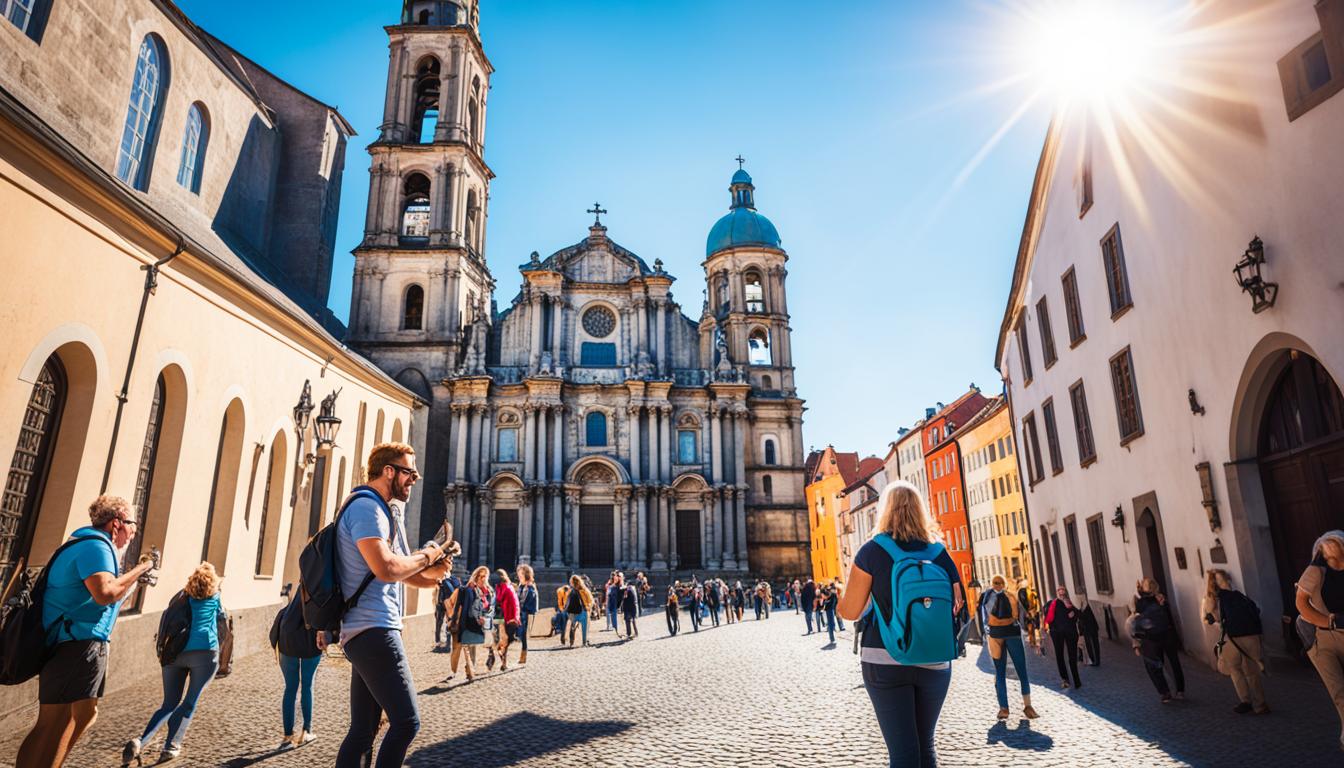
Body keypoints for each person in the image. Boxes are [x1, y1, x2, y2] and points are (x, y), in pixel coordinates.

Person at [18, 495, 159, 768]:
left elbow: (101, 598)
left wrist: (132, 580)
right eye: (132, 524)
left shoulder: (86, 543)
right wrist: (143, 567)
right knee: (56, 723)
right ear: (116, 523)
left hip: (72, 641)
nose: (133, 532)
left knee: (79, 716)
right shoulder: (97, 546)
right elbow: (105, 593)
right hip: (76, 644)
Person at [333, 443, 452, 768]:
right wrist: (427, 555)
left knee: (364, 729)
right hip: (373, 630)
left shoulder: (384, 511)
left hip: (369, 630)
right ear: (389, 471)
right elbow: (386, 568)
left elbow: (401, 571)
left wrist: (435, 576)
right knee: (406, 722)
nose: (414, 478)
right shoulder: (366, 509)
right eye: (409, 472)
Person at [837, 481, 964, 768]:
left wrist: (839, 600)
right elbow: (958, 605)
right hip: (934, 658)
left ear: (884, 512)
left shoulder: (872, 551)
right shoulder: (940, 553)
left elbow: (851, 611)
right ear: (921, 511)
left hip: (885, 658)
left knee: (903, 754)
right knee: (925, 747)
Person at [123, 562, 226, 764]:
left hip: (175, 653)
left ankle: (140, 742)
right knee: (189, 702)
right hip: (205, 654)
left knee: (169, 703)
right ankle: (171, 746)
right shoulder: (216, 597)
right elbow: (222, 626)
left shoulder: (180, 597)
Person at [1297, 531, 1344, 750]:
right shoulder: (1315, 571)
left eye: (1336, 546)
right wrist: (1327, 621)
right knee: (1339, 690)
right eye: (1328, 548)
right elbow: (1301, 604)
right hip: (1324, 640)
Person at [269, 587, 331, 752]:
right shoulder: (321, 591)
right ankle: (306, 731)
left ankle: (288, 736)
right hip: (310, 643)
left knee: (290, 688)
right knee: (307, 686)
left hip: (287, 641)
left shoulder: (300, 590)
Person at [1203, 568, 1267, 715]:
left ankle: (1255, 703)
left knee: (1248, 670)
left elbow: (1211, 618)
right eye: (1220, 578)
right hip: (1235, 637)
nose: (1224, 580)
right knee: (1238, 670)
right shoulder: (1229, 596)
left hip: (1239, 636)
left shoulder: (1230, 596)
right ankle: (1251, 702)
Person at [979, 575, 1037, 721]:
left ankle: (1004, 708)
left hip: (995, 636)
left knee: (1000, 672)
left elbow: (983, 618)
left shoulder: (987, 597)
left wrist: (985, 634)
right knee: (1021, 670)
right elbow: (1020, 616)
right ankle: (1027, 705)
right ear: (1005, 584)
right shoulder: (1011, 595)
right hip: (1012, 634)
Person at [1128, 577, 1185, 703]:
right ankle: (1178, 691)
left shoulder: (1142, 601)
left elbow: (1134, 621)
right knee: (1172, 663)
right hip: (1166, 635)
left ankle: (1166, 692)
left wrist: (1136, 643)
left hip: (1152, 638)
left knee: (1155, 665)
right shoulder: (1160, 599)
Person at [447, 566, 491, 682]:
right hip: (461, 623)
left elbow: (486, 608)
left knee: (472, 648)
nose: (482, 579)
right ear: (475, 576)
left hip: (474, 624)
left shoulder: (484, 592)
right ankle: (453, 671)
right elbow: (460, 608)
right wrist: (455, 622)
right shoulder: (466, 589)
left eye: (484, 576)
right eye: (480, 576)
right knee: (456, 648)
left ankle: (470, 671)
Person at [1043, 586, 1083, 690]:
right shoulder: (1052, 604)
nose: (1061, 595)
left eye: (1063, 593)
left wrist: (1073, 614)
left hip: (1070, 633)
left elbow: (1077, 616)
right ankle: (1065, 679)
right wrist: (1051, 630)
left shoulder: (1070, 604)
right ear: (1057, 594)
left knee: (1072, 657)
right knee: (1059, 656)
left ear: (1066, 593)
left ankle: (1077, 680)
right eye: (1059, 593)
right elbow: (1048, 617)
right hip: (1057, 634)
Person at [489, 569, 520, 671]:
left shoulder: (507, 588)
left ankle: (501, 660)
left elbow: (513, 605)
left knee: (503, 639)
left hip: (506, 617)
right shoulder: (501, 587)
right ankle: (501, 660)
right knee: (500, 638)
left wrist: (514, 619)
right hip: (501, 616)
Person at [516, 564, 538, 665]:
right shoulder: (521, 587)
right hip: (520, 615)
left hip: (525, 616)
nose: (519, 577)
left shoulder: (530, 588)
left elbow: (528, 605)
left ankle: (523, 655)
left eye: (521, 575)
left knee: (523, 637)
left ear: (526, 575)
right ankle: (522, 655)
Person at [434, 571, 460, 652]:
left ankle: (439, 643)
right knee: (448, 622)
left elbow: (437, 595)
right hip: (447, 604)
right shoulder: (452, 580)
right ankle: (448, 644)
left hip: (443, 604)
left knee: (440, 623)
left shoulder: (444, 581)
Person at [565, 574, 593, 646]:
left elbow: (567, 601)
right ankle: (583, 642)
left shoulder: (574, 591)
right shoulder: (583, 590)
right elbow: (591, 600)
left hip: (579, 611)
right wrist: (588, 607)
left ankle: (574, 642)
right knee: (583, 628)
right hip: (581, 611)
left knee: (574, 627)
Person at [1077, 596, 1101, 666]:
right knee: (1089, 645)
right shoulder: (1082, 608)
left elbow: (1083, 618)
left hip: (1091, 628)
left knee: (1094, 644)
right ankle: (1093, 659)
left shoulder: (1087, 608)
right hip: (1087, 629)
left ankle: (1096, 660)